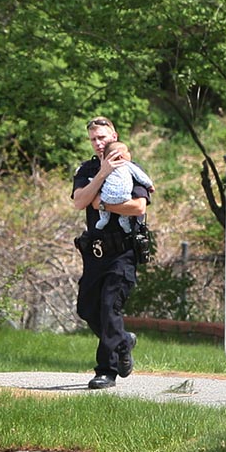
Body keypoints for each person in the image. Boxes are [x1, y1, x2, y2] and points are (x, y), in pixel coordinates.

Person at [72, 116, 152, 390]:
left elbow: (138, 207)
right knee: (86, 308)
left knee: (109, 308)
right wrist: (102, 174)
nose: (98, 143)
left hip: (123, 252)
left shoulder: (129, 168)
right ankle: (122, 341)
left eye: (102, 138)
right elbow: (80, 201)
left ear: (114, 136)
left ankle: (106, 370)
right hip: (94, 252)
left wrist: (103, 203)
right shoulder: (87, 169)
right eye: (94, 139)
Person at [95, 141, 154, 233]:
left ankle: (103, 219)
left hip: (106, 198)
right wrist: (149, 185)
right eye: (127, 152)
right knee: (125, 209)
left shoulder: (105, 169)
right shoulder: (127, 165)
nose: (130, 154)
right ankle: (123, 220)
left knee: (104, 204)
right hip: (124, 197)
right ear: (120, 156)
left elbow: (99, 179)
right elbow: (141, 176)